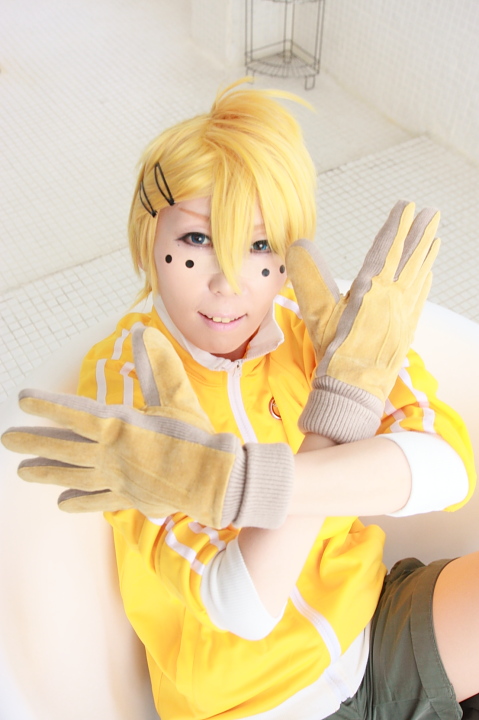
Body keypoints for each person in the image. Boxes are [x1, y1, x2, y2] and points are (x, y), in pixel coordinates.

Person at [2, 80, 478, 720]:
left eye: (259, 246)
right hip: (251, 705)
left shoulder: (318, 321)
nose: (228, 284)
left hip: (370, 626)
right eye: (197, 242)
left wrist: (238, 484)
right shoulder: (131, 378)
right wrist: (341, 412)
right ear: (149, 240)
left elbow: (447, 473)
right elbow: (244, 605)